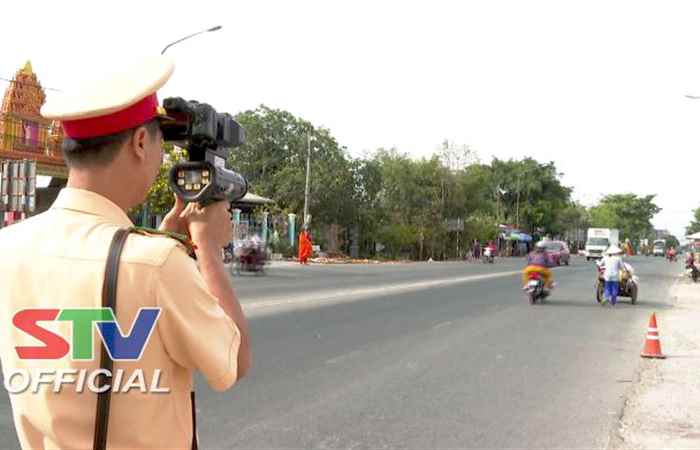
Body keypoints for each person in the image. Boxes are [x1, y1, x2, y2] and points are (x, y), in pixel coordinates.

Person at [0, 56, 251, 450]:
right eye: (156, 142)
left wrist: (162, 239)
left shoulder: (9, 247)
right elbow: (233, 363)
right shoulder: (155, 264)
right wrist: (208, 250)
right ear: (138, 143)